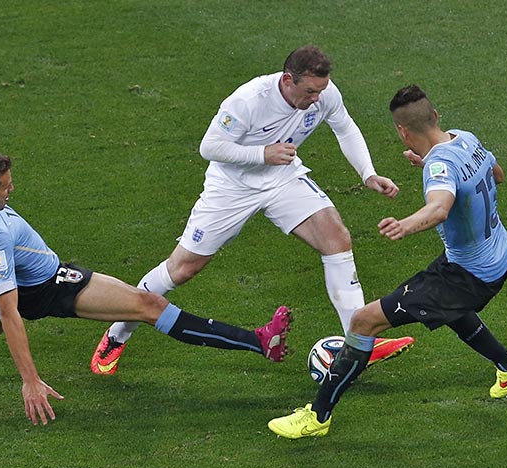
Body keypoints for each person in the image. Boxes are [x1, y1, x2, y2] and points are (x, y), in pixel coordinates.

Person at [0, 43, 293, 426]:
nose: (11, 189)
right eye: (5, 188)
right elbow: (11, 314)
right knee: (150, 306)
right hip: (46, 286)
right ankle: (259, 341)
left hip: (18, 275)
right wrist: (30, 380)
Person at [91, 44, 414, 375]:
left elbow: (344, 126)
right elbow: (210, 147)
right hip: (232, 188)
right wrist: (262, 154)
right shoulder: (248, 100)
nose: (317, 98)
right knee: (183, 268)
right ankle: (117, 334)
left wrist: (367, 173)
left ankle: (358, 344)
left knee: (336, 238)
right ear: (287, 80)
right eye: (310, 91)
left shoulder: (324, 93)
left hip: (282, 177)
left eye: (321, 90)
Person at [267, 85, 507, 439]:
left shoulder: (440, 166)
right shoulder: (465, 139)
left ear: (403, 132)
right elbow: (496, 174)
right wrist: (440, 170)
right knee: (448, 307)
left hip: (469, 275)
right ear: (435, 116)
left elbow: (439, 209)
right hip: (498, 254)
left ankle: (317, 418)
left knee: (363, 322)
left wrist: (405, 225)